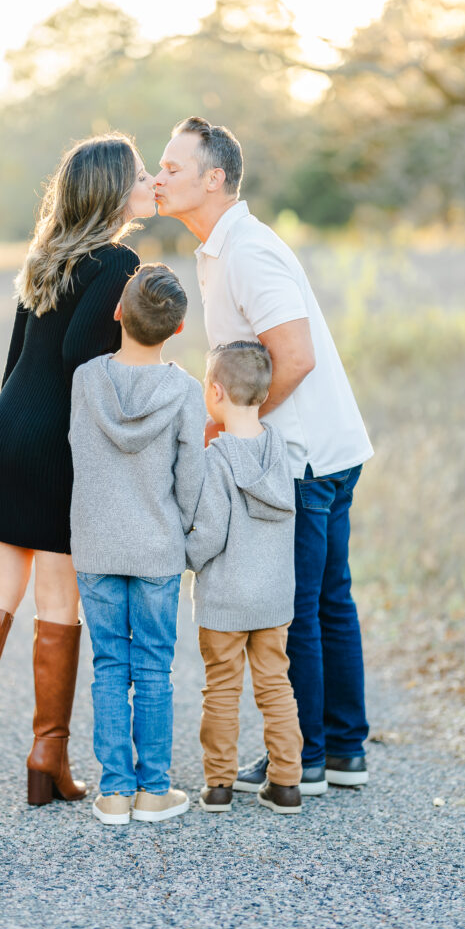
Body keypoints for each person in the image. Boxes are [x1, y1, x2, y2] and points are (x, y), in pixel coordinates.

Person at [0, 133, 156, 807]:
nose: (149, 181)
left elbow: (13, 366)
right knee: (58, 602)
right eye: (141, 174)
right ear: (114, 189)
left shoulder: (45, 259)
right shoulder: (118, 261)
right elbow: (84, 368)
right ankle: (45, 761)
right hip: (53, 447)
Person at [155, 117, 373, 795]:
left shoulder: (247, 251)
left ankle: (300, 759)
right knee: (328, 599)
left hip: (305, 458)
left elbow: (296, 358)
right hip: (326, 447)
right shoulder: (222, 250)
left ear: (212, 178)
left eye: (170, 168)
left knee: (301, 606)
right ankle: (343, 752)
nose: (158, 179)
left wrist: (236, 429)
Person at [69, 263, 205, 825]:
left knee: (108, 666)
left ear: (118, 312)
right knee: (152, 667)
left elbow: (78, 449)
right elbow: (191, 480)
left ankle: (114, 792)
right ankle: (154, 791)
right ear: (177, 331)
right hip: (157, 551)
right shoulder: (186, 391)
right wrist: (195, 544)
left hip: (97, 546)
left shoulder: (86, 380)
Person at [186, 341, 303, 815]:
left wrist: (184, 557)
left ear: (214, 392)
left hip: (225, 603)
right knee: (276, 687)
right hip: (273, 601)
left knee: (221, 689)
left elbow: (209, 534)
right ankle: (287, 783)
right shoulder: (281, 451)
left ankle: (218, 785)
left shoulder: (216, 461)